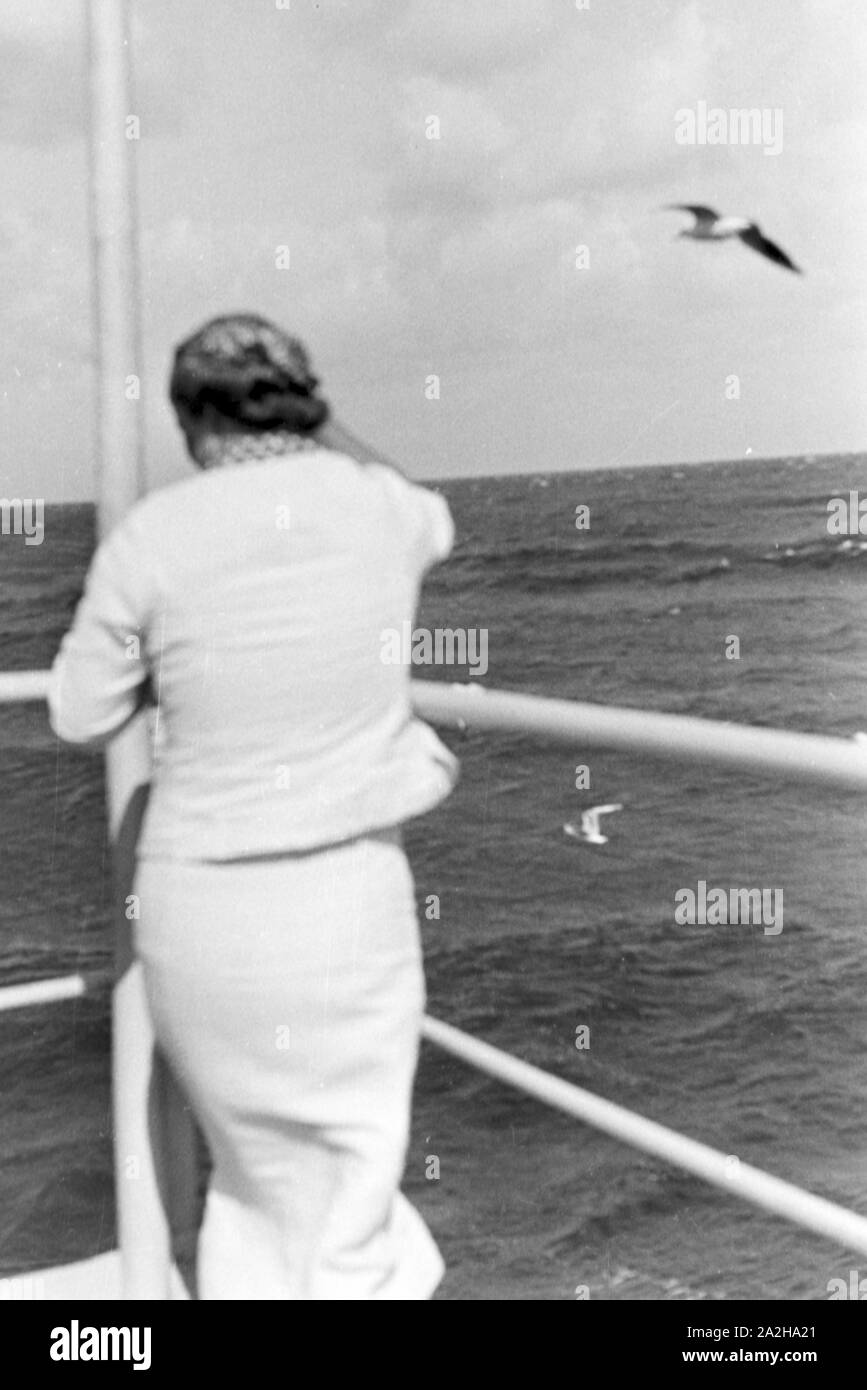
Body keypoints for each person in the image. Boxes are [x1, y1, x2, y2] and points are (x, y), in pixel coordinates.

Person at [48, 312, 459, 1300]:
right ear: (304, 403)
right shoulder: (378, 509)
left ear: (191, 419)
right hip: (345, 895)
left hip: (202, 910)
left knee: (253, 1177)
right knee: (354, 1172)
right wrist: (325, 428)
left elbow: (79, 711)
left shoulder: (154, 535)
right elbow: (432, 515)